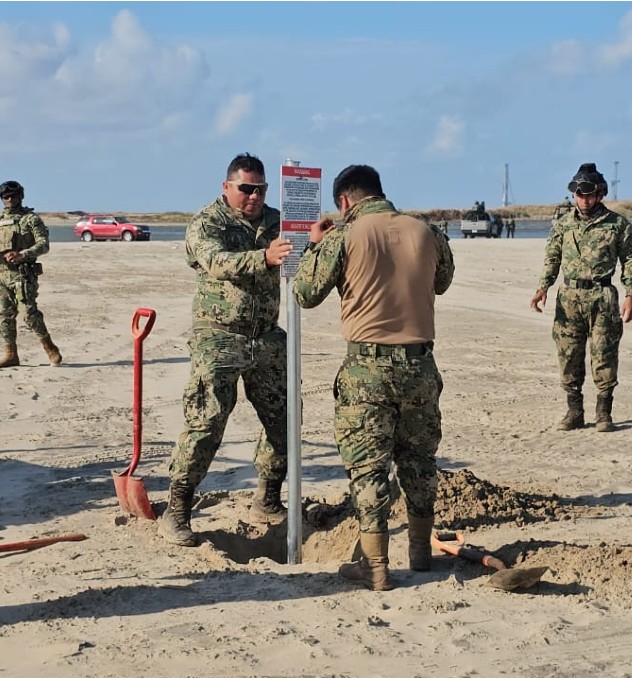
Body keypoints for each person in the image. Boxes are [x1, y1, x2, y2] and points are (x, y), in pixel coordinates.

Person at [293, 164, 455, 591]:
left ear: (344, 201)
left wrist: (314, 246)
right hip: (420, 365)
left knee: (369, 468)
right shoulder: (427, 232)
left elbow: (305, 294)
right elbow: (442, 282)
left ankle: (376, 566)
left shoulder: (344, 236)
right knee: (419, 461)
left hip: (368, 367)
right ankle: (420, 553)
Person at [157, 153, 294, 547]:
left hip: (266, 335)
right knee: (207, 421)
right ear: (227, 187)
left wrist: (313, 239)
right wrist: (265, 257)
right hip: (218, 336)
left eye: (260, 189)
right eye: (245, 189)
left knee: (283, 419)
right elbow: (217, 262)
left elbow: (299, 255)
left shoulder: (275, 221)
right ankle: (178, 509)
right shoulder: (208, 222)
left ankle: (267, 499)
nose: (253, 197)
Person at [530, 162, 632, 433]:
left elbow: (630, 261)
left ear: (600, 194)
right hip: (569, 297)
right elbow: (552, 258)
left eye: (589, 195)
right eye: (579, 195)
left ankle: (604, 413)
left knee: (604, 355)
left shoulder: (617, 225)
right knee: (568, 355)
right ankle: (574, 411)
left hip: (603, 296)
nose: (584, 200)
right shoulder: (563, 225)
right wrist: (542, 287)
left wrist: (630, 295)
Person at [0, 180, 62, 369]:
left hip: (22, 275)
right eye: (5, 197)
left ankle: (50, 348)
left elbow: (44, 244)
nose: (9, 200)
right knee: (3, 315)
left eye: (13, 196)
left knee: (29, 314)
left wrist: (22, 254)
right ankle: (11, 354)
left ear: (20, 196)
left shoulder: (31, 219)